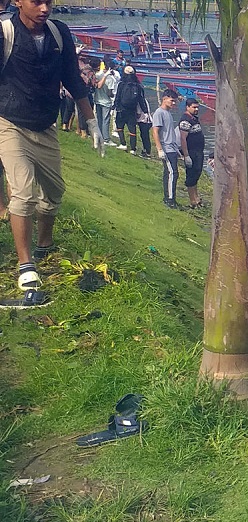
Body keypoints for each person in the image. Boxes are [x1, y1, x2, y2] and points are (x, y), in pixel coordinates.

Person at [0, 0, 99, 308]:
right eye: (36, 2)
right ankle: (26, 265)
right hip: (10, 122)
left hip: (46, 124)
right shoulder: (5, 33)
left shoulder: (59, 33)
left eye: (49, 2)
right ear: (18, 2)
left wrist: (91, 120)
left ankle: (44, 243)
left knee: (54, 191)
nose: (44, 8)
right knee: (24, 194)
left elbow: (72, 77)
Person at [151, 90, 181, 209]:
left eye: (175, 101)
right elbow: (155, 131)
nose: (173, 103)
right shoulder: (159, 113)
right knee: (172, 173)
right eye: (171, 100)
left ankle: (169, 197)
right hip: (166, 148)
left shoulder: (168, 112)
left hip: (172, 147)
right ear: (164, 99)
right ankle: (170, 199)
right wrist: (159, 149)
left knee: (170, 173)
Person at [177, 98, 204, 208]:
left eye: (197, 107)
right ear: (187, 107)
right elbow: (183, 139)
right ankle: (192, 200)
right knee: (191, 176)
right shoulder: (185, 120)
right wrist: (186, 155)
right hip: (192, 152)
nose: (196, 109)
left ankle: (196, 198)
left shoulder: (194, 119)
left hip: (198, 151)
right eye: (194, 107)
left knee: (197, 174)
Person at [114, 65, 147, 152]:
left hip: (122, 108)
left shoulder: (121, 84)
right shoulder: (138, 85)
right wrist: (145, 111)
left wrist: (115, 106)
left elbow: (118, 96)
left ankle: (123, 143)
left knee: (119, 125)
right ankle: (133, 148)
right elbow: (141, 99)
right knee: (132, 128)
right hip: (132, 110)